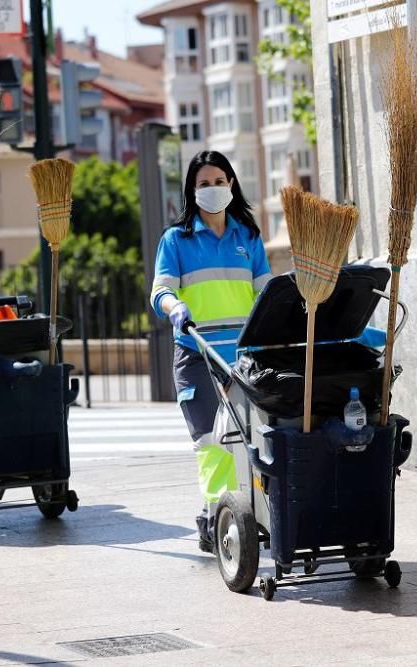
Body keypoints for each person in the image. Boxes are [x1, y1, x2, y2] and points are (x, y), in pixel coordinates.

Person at [150, 150, 271, 553]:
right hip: (196, 352)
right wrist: (174, 306)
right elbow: (160, 290)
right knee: (211, 442)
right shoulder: (177, 239)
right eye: (204, 184)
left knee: (247, 438)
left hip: (242, 358)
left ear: (232, 185)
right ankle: (219, 514)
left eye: (220, 182)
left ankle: (233, 513)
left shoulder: (248, 237)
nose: (213, 189)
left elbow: (265, 294)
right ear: (192, 191)